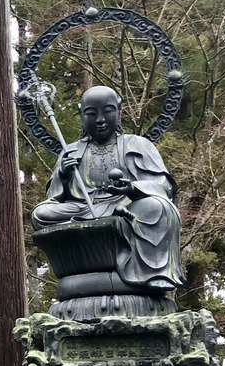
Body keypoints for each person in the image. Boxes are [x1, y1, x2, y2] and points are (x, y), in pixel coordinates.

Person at [31, 85, 185, 293]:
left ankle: (153, 273)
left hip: (125, 206)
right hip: (83, 209)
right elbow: (54, 199)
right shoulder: (71, 151)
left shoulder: (138, 144)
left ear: (119, 111)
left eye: (108, 111)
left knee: (157, 207)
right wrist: (63, 175)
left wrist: (132, 188)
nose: (100, 120)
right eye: (91, 114)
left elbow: (163, 187)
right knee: (40, 214)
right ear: (82, 114)